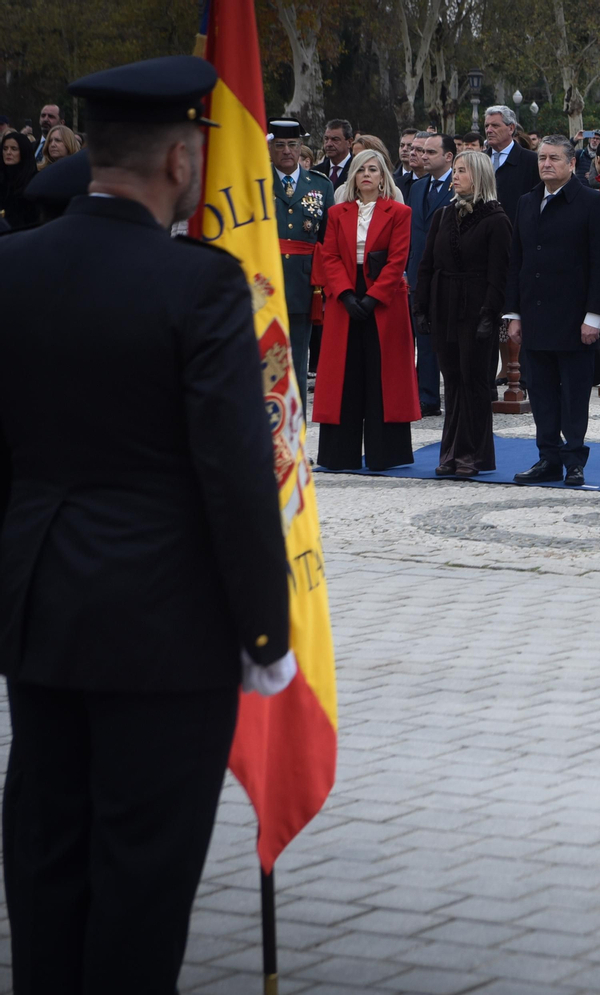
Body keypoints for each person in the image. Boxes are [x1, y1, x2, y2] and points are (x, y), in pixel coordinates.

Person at [0, 55, 293, 993]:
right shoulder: (199, 284)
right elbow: (234, 473)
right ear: (178, 158)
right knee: (142, 879)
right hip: (165, 625)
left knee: (46, 859)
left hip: (40, 607)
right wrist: (265, 630)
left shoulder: (11, 266)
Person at [504, 136, 600, 486]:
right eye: (542, 158)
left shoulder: (592, 202)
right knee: (540, 392)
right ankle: (548, 457)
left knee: (574, 394)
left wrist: (594, 316)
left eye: (554, 158)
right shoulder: (526, 202)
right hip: (535, 314)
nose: (546, 164)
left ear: (571, 163)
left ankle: (574, 459)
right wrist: (513, 313)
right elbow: (517, 260)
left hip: (575, 317)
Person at [313, 148, 419, 469]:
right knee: (344, 373)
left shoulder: (399, 212)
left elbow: (398, 259)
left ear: (383, 176)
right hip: (345, 295)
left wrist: (373, 297)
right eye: (361, 170)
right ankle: (339, 454)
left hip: (385, 300)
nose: (367, 175)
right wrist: (345, 295)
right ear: (354, 177)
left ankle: (385, 454)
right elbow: (329, 256)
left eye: (373, 169)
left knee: (382, 374)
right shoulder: (337, 213)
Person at [414, 148, 508, 477]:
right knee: (452, 379)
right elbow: (427, 265)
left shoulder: (496, 219)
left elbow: (499, 274)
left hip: (476, 308)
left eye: (462, 170)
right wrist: (421, 307)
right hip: (444, 306)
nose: (455, 176)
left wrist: (489, 314)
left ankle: (473, 454)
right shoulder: (443, 215)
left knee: (474, 381)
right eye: (455, 170)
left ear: (479, 176)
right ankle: (451, 452)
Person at [267, 119, 336, 400]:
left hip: (303, 284)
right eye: (280, 145)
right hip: (264, 283)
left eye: (292, 145)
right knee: (264, 363)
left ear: (301, 147)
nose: (286, 151)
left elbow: (328, 238)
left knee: (297, 363)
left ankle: (296, 423)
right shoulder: (256, 181)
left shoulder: (320, 185)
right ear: (270, 148)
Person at [406, 131, 455, 417]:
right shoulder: (417, 187)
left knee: (449, 339)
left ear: (448, 157)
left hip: (448, 273)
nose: (423, 156)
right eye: (422, 151)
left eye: (430, 152)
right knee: (423, 337)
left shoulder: (458, 185)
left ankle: (456, 393)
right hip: (418, 274)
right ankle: (427, 397)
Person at [484, 104, 538, 216]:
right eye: (486, 126)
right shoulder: (479, 160)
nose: (489, 130)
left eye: (495, 125)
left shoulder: (531, 160)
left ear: (511, 128)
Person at [0, 131, 37, 229]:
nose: (8, 152)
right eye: (5, 149)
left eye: (14, 149)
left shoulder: (33, 181)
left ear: (24, 151)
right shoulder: (2, 179)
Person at [315, 118, 355, 186]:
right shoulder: (316, 172)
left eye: (335, 139)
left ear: (349, 142)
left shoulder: (357, 170)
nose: (329, 144)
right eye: (326, 139)